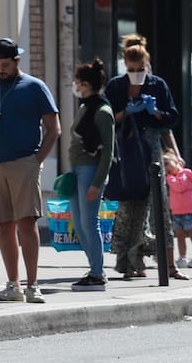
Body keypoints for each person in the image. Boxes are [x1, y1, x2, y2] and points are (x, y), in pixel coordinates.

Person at [0, 38, 59, 303]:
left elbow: (54, 128)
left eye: (4, 64)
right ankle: (12, 284)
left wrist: (37, 159)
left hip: (23, 163)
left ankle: (32, 285)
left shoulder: (35, 87)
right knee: (3, 225)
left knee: (27, 222)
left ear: (17, 61)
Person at [104, 34, 186, 280]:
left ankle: (169, 265)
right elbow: (105, 118)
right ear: (124, 65)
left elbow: (171, 119)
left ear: (147, 66)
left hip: (150, 150)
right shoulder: (117, 86)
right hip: (125, 150)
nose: (136, 73)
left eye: (140, 69)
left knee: (158, 207)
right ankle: (130, 263)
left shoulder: (157, 85)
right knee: (130, 208)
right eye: (131, 69)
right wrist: (125, 112)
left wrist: (156, 112)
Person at [68, 59, 115, 291]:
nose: (75, 86)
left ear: (86, 84)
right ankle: (94, 269)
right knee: (79, 223)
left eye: (78, 82)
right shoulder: (85, 107)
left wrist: (98, 182)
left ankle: (98, 273)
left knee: (89, 223)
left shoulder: (102, 111)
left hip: (90, 171)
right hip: (78, 170)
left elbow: (108, 152)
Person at [165, 152, 192, 269]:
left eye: (167, 163)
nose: (166, 167)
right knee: (179, 235)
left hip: (190, 211)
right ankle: (182, 257)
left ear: (176, 162)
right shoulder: (172, 177)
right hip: (177, 211)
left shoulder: (185, 174)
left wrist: (169, 178)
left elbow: (179, 187)